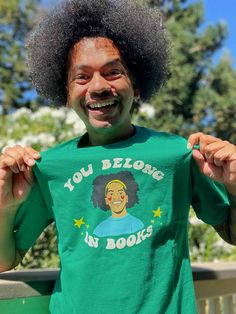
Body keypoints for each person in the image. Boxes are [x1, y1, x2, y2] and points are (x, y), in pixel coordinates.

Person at [0, 0, 235, 313]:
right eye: (81, 77)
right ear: (66, 94)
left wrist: (234, 185)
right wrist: (5, 207)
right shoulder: (48, 167)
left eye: (113, 72)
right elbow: (5, 259)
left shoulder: (178, 155)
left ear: (136, 87)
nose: (98, 87)